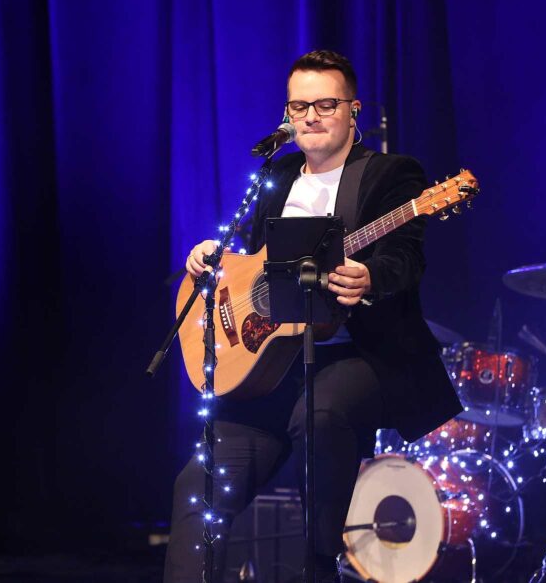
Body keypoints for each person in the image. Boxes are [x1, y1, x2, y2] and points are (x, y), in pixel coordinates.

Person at [164, 50, 462, 582]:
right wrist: (215, 257)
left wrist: (371, 277)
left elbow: (405, 257)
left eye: (326, 104)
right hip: (269, 367)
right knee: (199, 486)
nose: (311, 116)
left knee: (320, 415)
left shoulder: (391, 174)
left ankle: (320, 567)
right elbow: (255, 260)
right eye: (299, 106)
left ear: (353, 111)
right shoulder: (278, 173)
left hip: (357, 354)